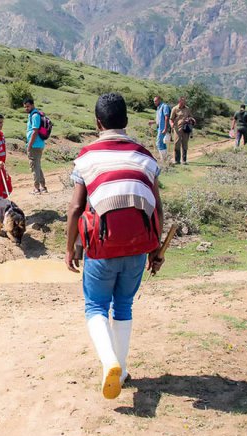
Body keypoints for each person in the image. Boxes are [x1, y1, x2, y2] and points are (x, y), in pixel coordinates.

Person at [66, 93, 165, 400]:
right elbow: (158, 208)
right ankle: (120, 370)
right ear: (126, 121)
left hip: (102, 247)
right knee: (123, 305)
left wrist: (70, 248)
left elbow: (75, 208)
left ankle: (109, 362)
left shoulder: (86, 158)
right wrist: (155, 249)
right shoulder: (145, 157)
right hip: (137, 245)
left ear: (98, 123)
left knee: (95, 305)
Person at [23, 98, 47, 195]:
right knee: (37, 166)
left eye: (28, 106)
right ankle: (43, 187)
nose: (26, 109)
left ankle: (37, 188)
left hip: (35, 145)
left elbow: (35, 131)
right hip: (38, 144)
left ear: (32, 105)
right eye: (25, 107)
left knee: (34, 166)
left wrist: (29, 145)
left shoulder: (35, 115)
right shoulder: (33, 114)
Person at [169, 96, 196, 165]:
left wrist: (191, 119)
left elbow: (191, 116)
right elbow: (171, 119)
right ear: (179, 102)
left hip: (185, 128)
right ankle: (177, 160)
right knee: (177, 143)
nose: (184, 103)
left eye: (185, 102)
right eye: (182, 102)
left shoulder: (187, 109)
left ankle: (184, 160)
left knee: (185, 144)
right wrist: (171, 124)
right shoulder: (175, 109)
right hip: (177, 129)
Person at [150, 95, 170, 164]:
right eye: (154, 101)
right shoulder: (158, 108)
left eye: (155, 101)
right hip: (159, 127)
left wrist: (165, 128)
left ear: (159, 100)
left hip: (162, 128)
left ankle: (162, 159)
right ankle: (165, 159)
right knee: (163, 144)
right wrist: (152, 122)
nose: (154, 102)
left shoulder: (164, 106)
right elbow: (159, 120)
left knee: (159, 143)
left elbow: (166, 117)